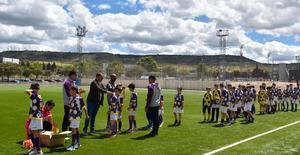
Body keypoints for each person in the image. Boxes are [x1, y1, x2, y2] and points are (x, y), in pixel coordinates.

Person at [67, 86, 88, 151]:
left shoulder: (79, 98)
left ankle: (73, 145)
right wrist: (69, 116)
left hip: (77, 116)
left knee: (73, 130)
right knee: (76, 129)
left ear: (74, 91)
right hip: (72, 116)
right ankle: (78, 143)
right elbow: (70, 107)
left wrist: (87, 115)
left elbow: (84, 107)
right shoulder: (71, 97)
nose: (69, 91)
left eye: (70, 90)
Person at [25, 83, 43, 155]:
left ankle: (38, 150)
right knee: (31, 131)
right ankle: (35, 147)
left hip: (36, 117)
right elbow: (41, 105)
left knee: (35, 133)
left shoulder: (34, 95)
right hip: (35, 116)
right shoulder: (39, 96)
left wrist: (30, 91)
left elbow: (26, 91)